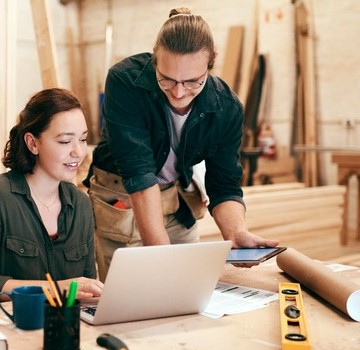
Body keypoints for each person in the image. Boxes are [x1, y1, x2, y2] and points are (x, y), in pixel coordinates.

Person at [85, 7, 279, 282]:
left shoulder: (227, 107)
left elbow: (223, 183)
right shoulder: (125, 81)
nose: (178, 92)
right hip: (122, 198)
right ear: (155, 57)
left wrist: (235, 232)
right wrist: (163, 258)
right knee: (133, 295)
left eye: (192, 82)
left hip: (175, 199)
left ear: (212, 62)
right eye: (167, 79)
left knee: (185, 289)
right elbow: (138, 172)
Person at [0, 88, 103, 300]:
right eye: (65, 141)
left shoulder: (81, 204)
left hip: (70, 325)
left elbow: (86, 285)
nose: (78, 152)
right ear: (32, 143)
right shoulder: (3, 198)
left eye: (83, 139)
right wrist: (58, 288)